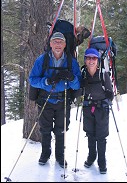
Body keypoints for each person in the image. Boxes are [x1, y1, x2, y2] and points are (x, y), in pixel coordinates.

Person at [29, 32, 81, 168]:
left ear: (65, 45)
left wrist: (71, 78)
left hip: (63, 101)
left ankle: (60, 156)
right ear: (50, 44)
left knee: (61, 130)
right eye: (55, 42)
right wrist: (46, 81)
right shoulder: (42, 60)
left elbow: (78, 84)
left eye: (60, 42)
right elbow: (32, 80)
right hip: (45, 100)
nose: (58, 45)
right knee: (45, 130)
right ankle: (45, 154)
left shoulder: (71, 62)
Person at [79, 48, 114, 174]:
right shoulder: (83, 74)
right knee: (90, 134)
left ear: (97, 61)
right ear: (85, 60)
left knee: (101, 136)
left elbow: (111, 93)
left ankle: (102, 161)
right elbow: (78, 91)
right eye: (88, 58)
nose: (91, 60)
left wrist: (109, 95)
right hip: (88, 108)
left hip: (102, 109)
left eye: (93, 58)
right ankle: (91, 156)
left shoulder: (103, 74)